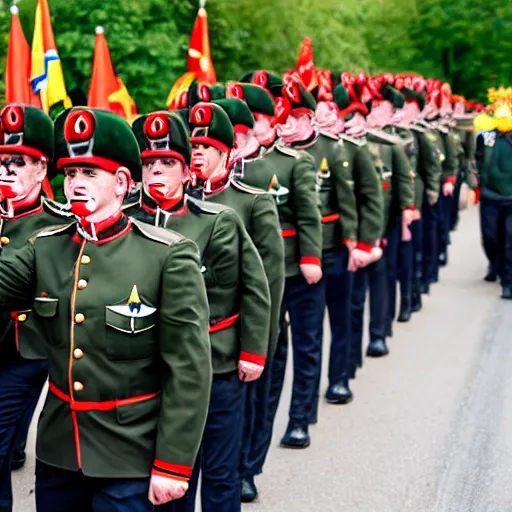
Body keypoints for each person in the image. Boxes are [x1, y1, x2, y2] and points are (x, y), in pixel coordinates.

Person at [0, 107, 212, 511]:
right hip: (60, 452)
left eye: (90, 173)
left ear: (121, 182)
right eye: (72, 174)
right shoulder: (46, 247)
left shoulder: (167, 255)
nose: (76, 184)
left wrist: (174, 463)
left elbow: (188, 368)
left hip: (131, 454)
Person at [132, 106, 271, 512]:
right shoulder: (126, 224)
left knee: (220, 473)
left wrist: (252, 351)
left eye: (167, 162)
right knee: (170, 477)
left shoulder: (217, 221)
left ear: (186, 173)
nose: (157, 171)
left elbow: (253, 287)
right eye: (149, 163)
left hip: (217, 363)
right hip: (151, 370)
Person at [0, 104, 72, 511]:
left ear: (42, 170)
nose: (5, 169)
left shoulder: (59, 224)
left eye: (18, 162)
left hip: (27, 350)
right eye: (1, 160)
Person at [475, 90, 512, 299]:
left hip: (511, 198)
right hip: (490, 195)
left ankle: (508, 282)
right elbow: (475, 158)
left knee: (510, 240)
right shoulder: (486, 136)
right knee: (490, 237)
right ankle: (494, 263)